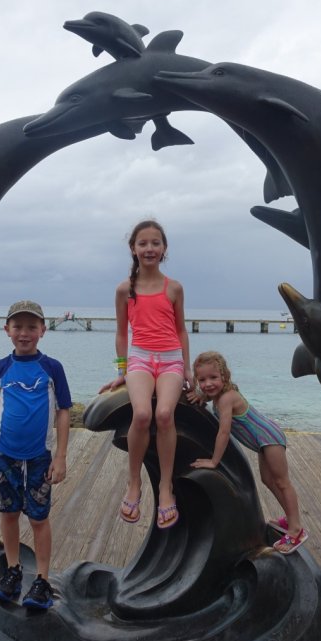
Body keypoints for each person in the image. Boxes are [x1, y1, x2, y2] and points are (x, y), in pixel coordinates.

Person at [100, 220, 192, 529]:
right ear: (133, 249)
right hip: (140, 357)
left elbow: (181, 330)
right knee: (141, 414)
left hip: (170, 360)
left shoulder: (174, 287)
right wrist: (121, 371)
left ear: (164, 249)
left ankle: (166, 487)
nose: (149, 248)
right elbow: (121, 333)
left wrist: (187, 367)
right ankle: (134, 483)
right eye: (143, 243)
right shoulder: (125, 289)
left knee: (164, 414)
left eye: (155, 243)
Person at [0, 300, 71, 610]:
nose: (24, 333)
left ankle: (42, 580)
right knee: (8, 513)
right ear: (7, 330)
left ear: (43, 330)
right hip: (4, 454)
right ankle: (13, 570)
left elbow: (63, 412)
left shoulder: (52, 368)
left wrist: (60, 456)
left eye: (32, 327)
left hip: (39, 457)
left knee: (38, 517)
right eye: (17, 326)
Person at [188, 351, 308, 554]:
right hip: (263, 442)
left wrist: (214, 461)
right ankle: (290, 518)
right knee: (268, 480)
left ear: (224, 377)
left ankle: (296, 529)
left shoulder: (227, 398)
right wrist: (199, 395)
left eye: (213, 378)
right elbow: (207, 395)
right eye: (202, 380)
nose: (208, 384)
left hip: (270, 438)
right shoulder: (217, 396)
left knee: (282, 482)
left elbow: (224, 432)